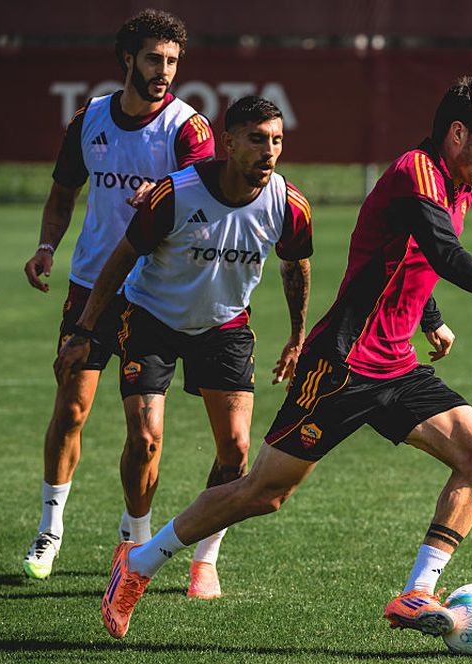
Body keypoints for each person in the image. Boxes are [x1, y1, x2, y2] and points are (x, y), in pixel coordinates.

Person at [96, 76, 472, 641]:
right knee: (264, 493)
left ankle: (417, 592)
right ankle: (142, 561)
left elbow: (408, 256)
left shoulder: (457, 184)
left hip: (396, 365)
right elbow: (444, 253)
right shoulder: (416, 171)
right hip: (341, 365)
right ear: (456, 133)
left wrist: (429, 318)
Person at [55, 97, 313, 600]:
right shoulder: (176, 193)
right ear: (230, 141)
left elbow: (295, 265)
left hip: (224, 327)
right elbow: (122, 257)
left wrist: (297, 336)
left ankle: (206, 557)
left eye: (277, 140)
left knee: (237, 451)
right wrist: (84, 330)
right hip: (151, 319)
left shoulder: (288, 203)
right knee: (145, 439)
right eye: (258, 139)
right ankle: (135, 540)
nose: (269, 151)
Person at [21, 9, 215, 580]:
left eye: (173, 61)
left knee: (146, 435)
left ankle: (133, 539)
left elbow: (207, 201)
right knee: (71, 408)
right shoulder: (91, 119)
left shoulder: (188, 128)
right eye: (154, 59)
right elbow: (62, 195)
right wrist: (46, 247)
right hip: (87, 288)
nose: (164, 71)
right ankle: (49, 530)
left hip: (152, 296)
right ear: (127, 59)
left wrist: (167, 197)